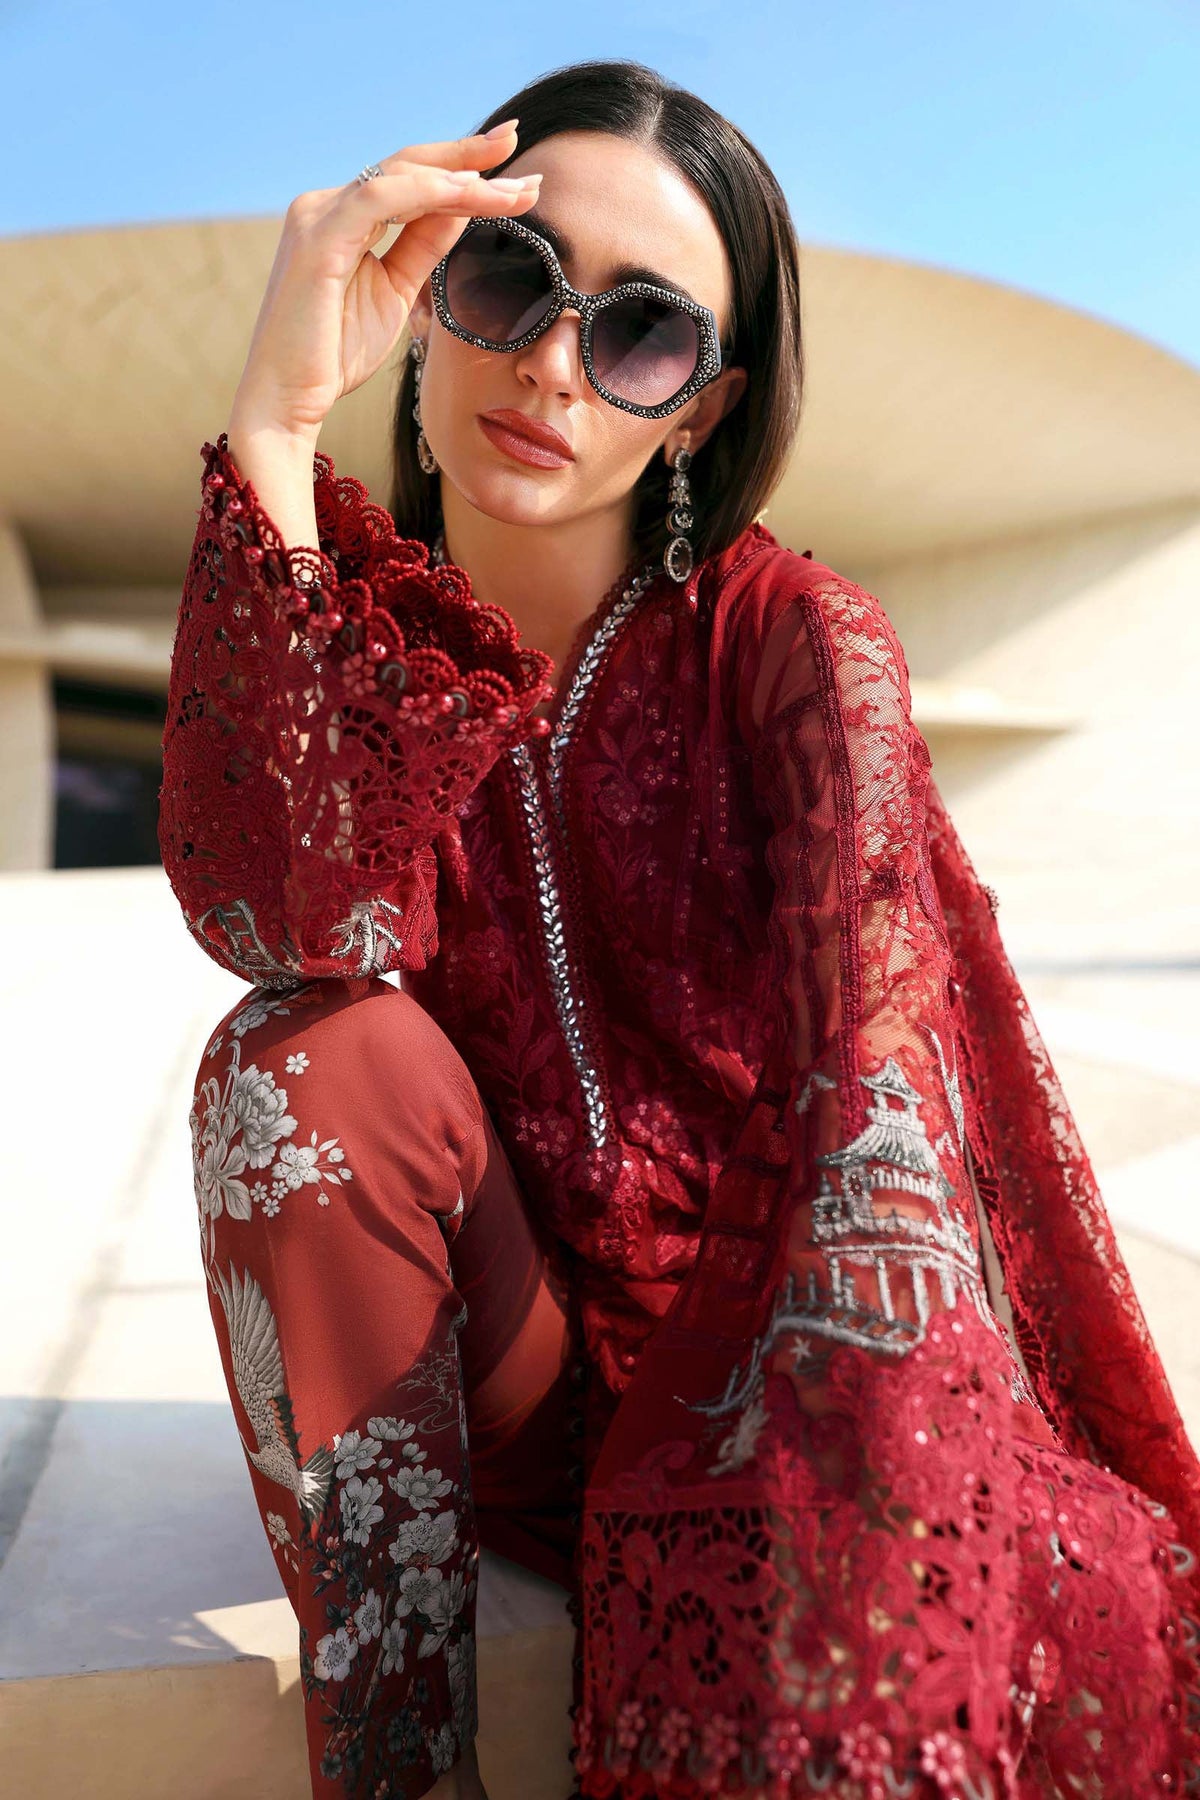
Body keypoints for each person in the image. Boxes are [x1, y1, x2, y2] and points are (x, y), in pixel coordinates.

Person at [158, 56, 1200, 1800]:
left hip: (784, 1402)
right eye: (509, 279)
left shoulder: (794, 648)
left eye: (640, 333)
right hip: (514, 1399)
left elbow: (875, 1134)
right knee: (304, 1056)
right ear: (428, 299)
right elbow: (276, 913)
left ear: (700, 411)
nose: (554, 365)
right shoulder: (387, 655)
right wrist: (276, 415)